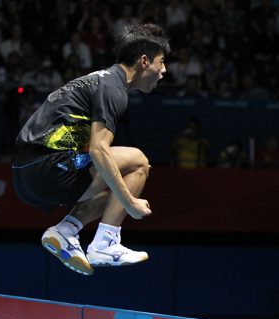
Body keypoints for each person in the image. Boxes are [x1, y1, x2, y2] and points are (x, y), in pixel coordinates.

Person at [12, 23, 170, 276]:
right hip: (48, 169)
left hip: (25, 175)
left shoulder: (100, 80)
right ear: (143, 61)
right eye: (161, 62)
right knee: (138, 162)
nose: (163, 71)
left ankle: (65, 231)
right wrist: (130, 203)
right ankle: (105, 244)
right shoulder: (114, 89)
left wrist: (123, 199)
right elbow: (99, 150)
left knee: (114, 195)